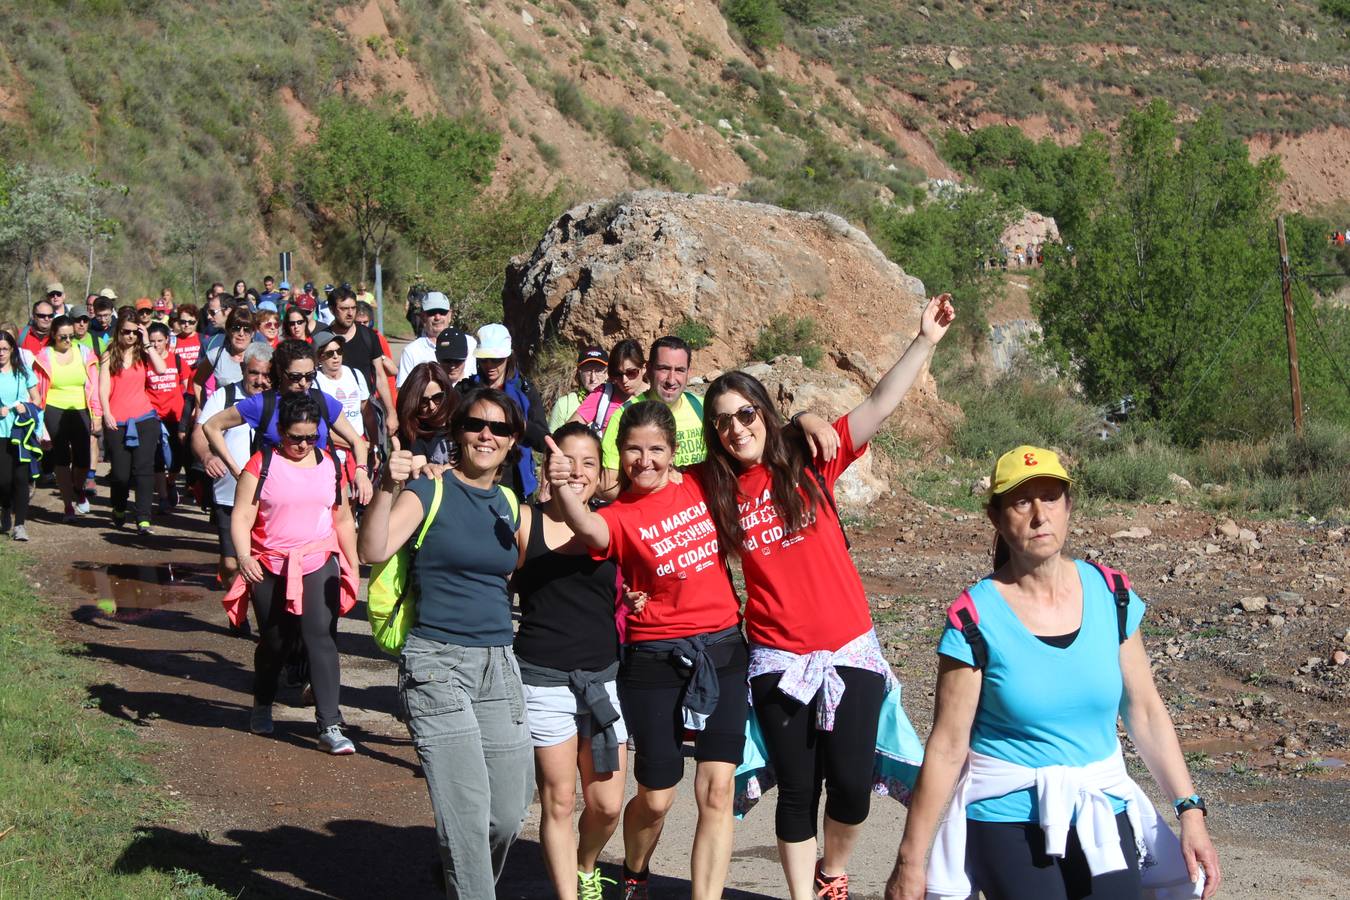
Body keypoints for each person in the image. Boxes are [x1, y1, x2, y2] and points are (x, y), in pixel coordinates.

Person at [697, 293, 954, 899]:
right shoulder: (715, 489)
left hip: (849, 648)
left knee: (851, 788)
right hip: (778, 659)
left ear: (763, 412)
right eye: (724, 421)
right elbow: (654, 505)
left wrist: (924, 341)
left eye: (746, 414)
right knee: (797, 790)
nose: (737, 428)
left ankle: (832, 871)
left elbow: (878, 406)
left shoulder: (810, 460)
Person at [883, 447, 1222, 900]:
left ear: (1069, 506)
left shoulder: (1112, 594)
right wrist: (910, 859)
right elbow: (947, 745)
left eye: (1051, 497)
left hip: (1100, 807)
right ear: (997, 518)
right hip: (1006, 815)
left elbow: (1144, 711)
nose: (1040, 515)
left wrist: (1190, 811)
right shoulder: (974, 616)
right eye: (1022, 502)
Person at [542, 401, 744, 900]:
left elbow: (758, 445)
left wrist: (805, 419)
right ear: (619, 453)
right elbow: (587, 530)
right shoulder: (617, 514)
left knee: (718, 790)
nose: (644, 460)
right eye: (633, 449)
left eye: (656, 449)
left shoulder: (703, 482)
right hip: (654, 660)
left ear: (674, 451)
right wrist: (568, 492)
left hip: (723, 648)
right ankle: (630, 866)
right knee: (656, 798)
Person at [359, 387, 534, 898]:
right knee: (467, 813)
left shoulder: (507, 502)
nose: (486, 435)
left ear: (512, 441)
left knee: (506, 814)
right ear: (457, 433)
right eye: (475, 425)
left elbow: (541, 557)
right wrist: (386, 486)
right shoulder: (428, 492)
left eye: (499, 429)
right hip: (437, 665)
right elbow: (374, 547)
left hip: (499, 665)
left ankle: (458, 874)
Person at [516, 422, 627, 900]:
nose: (577, 471)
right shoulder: (525, 521)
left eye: (588, 462)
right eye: (567, 460)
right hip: (542, 679)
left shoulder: (613, 523)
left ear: (602, 472)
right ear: (548, 465)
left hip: (603, 680)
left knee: (606, 805)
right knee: (558, 801)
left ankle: (586, 864)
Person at [227, 392, 360, 755]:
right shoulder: (262, 464)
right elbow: (241, 517)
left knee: (321, 637)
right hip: (268, 563)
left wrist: (352, 563)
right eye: (294, 437)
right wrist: (243, 556)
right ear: (280, 431)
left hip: (317, 558)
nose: (302, 444)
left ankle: (330, 724)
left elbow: (343, 518)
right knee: (276, 641)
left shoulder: (331, 464)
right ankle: (262, 702)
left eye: (310, 437)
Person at [200, 339, 374, 506]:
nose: (304, 383)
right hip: (274, 499)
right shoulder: (262, 404)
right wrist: (238, 472)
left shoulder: (322, 401)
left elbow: (356, 440)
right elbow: (211, 426)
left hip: (319, 495)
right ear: (279, 371)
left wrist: (361, 470)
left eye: (310, 375)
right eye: (295, 376)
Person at [194, 342, 272, 591]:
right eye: (254, 373)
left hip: (269, 495)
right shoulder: (225, 396)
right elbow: (200, 432)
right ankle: (236, 608)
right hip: (229, 494)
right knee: (230, 564)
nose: (260, 380)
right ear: (243, 370)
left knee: (264, 560)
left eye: (266, 374)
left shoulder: (278, 400)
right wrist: (208, 457)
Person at [597, 336, 704, 501]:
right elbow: (607, 486)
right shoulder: (624, 416)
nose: (671, 379)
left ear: (689, 372)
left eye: (680, 370)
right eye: (663, 368)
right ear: (648, 368)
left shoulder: (702, 406)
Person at [100, 313, 169, 533]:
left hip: (144, 419)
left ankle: (143, 518)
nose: (130, 336)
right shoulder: (109, 354)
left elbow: (161, 369)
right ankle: (119, 508)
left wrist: (147, 341)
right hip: (117, 420)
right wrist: (106, 413)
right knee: (120, 474)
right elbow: (102, 387)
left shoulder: (144, 353)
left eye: (134, 332)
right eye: (125, 332)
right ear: (118, 331)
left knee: (144, 470)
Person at [466, 323, 548, 500]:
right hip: (474, 477)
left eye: (497, 359)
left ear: (508, 357)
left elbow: (543, 441)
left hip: (515, 482)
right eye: (484, 359)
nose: (490, 365)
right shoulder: (467, 390)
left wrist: (520, 425)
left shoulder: (525, 391)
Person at [32, 315, 102, 521]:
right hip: (54, 408)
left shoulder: (85, 354)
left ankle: (78, 489)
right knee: (61, 457)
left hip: (81, 408)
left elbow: (95, 386)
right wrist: (38, 420)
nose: (68, 341)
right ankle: (67, 505)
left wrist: (97, 414)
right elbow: (35, 389)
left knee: (82, 458)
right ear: (53, 335)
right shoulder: (44, 356)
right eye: (63, 337)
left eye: (71, 336)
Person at [326, 286, 397, 441]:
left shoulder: (368, 336)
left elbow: (380, 375)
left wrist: (391, 413)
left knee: (374, 455)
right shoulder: (323, 339)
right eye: (344, 308)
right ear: (332, 310)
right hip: (334, 412)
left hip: (366, 410)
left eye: (353, 308)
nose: (350, 313)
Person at [0, 330, 42, 541]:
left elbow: (37, 400)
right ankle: (5, 507)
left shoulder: (23, 372)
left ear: (12, 350)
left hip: (20, 432)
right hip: (0, 435)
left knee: (21, 478)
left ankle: (20, 525)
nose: (1, 353)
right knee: (4, 481)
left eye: (5, 349)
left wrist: (25, 406)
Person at [312, 330, 368, 477]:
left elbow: (367, 413)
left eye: (339, 351)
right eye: (330, 353)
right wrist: (356, 443)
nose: (336, 356)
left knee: (363, 497)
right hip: (332, 452)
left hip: (360, 453)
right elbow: (318, 428)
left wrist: (372, 444)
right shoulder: (314, 382)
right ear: (319, 357)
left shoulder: (355, 374)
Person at [146, 323, 188, 512]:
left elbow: (188, 389)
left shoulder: (178, 361)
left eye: (160, 341)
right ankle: (162, 497)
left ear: (167, 341)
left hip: (176, 416)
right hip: (154, 416)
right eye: (152, 341)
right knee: (157, 457)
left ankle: (171, 482)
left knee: (177, 458)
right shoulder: (144, 361)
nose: (156, 345)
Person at [568, 338, 646, 437]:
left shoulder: (657, 396)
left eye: (631, 373)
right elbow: (568, 432)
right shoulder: (602, 394)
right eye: (618, 374)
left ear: (644, 368)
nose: (624, 380)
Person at [397, 291, 477, 386]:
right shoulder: (411, 352)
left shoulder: (470, 343)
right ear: (423, 317)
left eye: (442, 312)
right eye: (432, 312)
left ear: (450, 315)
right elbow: (403, 390)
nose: (437, 317)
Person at [395, 362, 460, 468]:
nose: (432, 406)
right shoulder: (414, 433)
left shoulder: (461, 418)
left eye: (437, 397)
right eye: (423, 401)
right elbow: (419, 477)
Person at [194, 307, 255, 406]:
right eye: (236, 328)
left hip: (254, 419)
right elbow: (197, 383)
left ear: (253, 333)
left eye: (247, 329)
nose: (241, 333)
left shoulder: (261, 357)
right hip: (224, 419)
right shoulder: (215, 355)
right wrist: (204, 409)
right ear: (228, 330)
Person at [549, 346, 609, 432]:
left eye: (598, 371)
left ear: (607, 374)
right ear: (579, 372)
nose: (593, 378)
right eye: (588, 370)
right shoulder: (564, 404)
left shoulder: (616, 402)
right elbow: (552, 441)